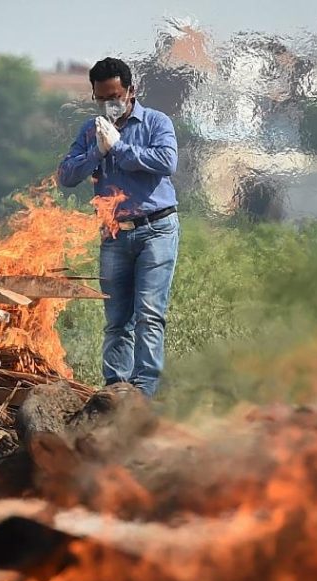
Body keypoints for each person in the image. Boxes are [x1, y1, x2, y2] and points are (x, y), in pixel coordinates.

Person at [58, 57, 179, 398]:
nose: (109, 104)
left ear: (131, 91)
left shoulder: (156, 122)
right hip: (113, 234)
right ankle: (116, 389)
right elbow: (66, 176)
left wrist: (119, 148)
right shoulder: (90, 129)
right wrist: (96, 151)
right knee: (116, 320)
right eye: (101, 98)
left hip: (156, 229)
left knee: (149, 315)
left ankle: (144, 392)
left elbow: (166, 162)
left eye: (115, 96)